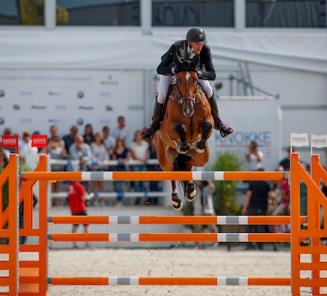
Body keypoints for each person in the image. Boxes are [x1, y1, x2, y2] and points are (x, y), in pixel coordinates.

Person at [142, 27, 233, 141]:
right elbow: (160, 68)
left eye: (202, 43)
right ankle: (154, 126)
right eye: (197, 43)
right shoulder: (177, 47)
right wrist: (173, 70)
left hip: (193, 75)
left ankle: (219, 123)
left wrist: (200, 73)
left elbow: (212, 74)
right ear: (189, 42)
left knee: (208, 89)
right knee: (161, 95)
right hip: (172, 73)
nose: (200, 46)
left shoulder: (205, 50)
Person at [242, 168, 276, 250]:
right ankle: (260, 245)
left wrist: (244, 208)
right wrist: (273, 202)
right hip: (263, 207)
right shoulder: (266, 184)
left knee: (250, 227)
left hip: (252, 207)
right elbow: (272, 196)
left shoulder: (252, 183)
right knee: (261, 227)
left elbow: (248, 196)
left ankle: (249, 245)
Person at [67, 181, 89, 248]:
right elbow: (83, 198)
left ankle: (74, 244)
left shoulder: (69, 187)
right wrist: (87, 197)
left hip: (73, 209)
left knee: (75, 227)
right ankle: (86, 243)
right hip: (81, 208)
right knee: (86, 226)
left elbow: (69, 199)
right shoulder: (80, 186)